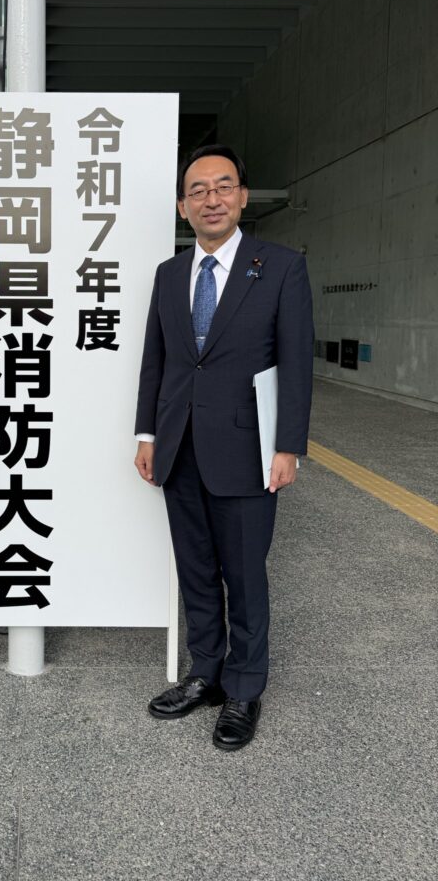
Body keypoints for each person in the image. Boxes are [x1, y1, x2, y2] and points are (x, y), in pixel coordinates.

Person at [134, 144, 313, 751]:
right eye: (198, 190)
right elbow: (157, 360)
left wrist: (288, 446)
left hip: (247, 448)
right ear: (182, 207)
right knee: (196, 570)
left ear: (242, 196)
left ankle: (244, 687)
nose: (211, 198)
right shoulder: (169, 274)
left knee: (244, 574)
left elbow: (295, 363)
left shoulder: (280, 267)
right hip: (178, 447)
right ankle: (205, 673)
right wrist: (147, 434)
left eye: (223, 186)